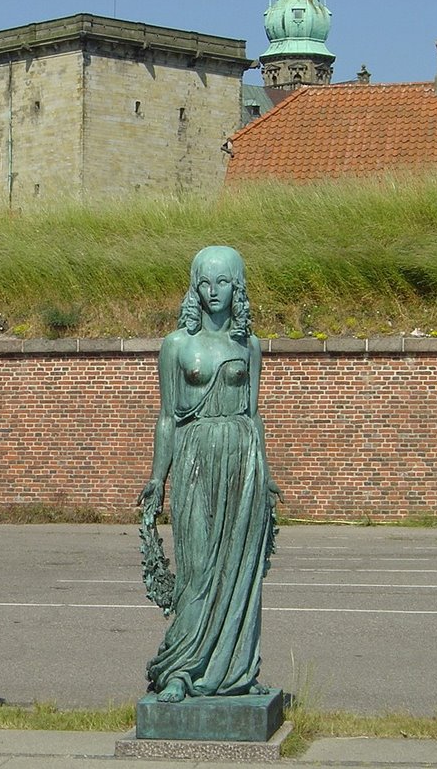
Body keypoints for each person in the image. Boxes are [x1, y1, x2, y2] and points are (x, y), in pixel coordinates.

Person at [138, 245, 279, 703]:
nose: (213, 292)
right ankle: (180, 670)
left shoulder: (248, 345)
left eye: (223, 283)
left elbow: (255, 414)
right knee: (197, 570)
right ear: (194, 287)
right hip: (196, 460)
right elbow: (166, 417)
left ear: (237, 287)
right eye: (205, 282)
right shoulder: (177, 345)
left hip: (243, 461)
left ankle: (234, 670)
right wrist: (159, 479)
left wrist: (268, 473)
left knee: (239, 571)